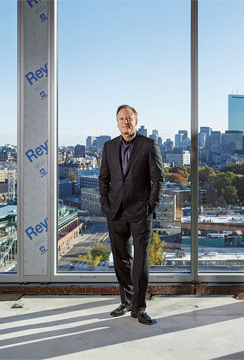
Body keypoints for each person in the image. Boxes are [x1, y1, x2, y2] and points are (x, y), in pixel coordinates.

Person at [99, 104, 164, 325]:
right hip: (115, 212)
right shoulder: (108, 147)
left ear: (136, 121)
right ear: (116, 123)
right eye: (121, 119)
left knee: (141, 260)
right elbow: (103, 179)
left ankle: (139, 308)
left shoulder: (149, 145)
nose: (125, 122)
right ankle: (125, 302)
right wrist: (105, 203)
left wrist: (149, 206)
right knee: (121, 260)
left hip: (140, 212)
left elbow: (158, 179)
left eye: (129, 118)